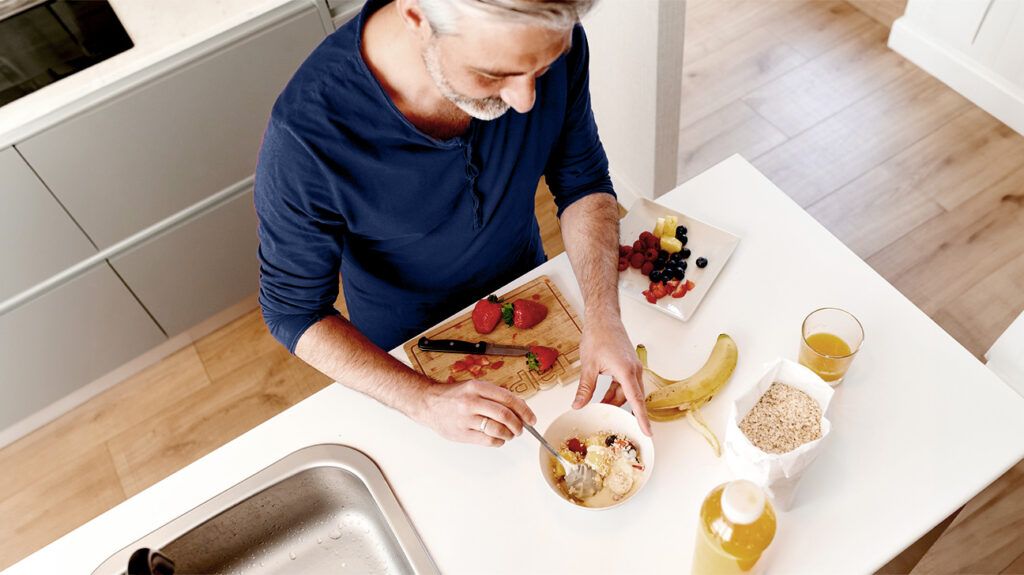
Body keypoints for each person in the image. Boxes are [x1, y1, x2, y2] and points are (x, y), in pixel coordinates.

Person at [254, 0, 651, 449]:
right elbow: (294, 312)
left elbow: (583, 182)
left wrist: (603, 316)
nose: (525, 100)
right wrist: (423, 400)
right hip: (404, 349)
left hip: (528, 286)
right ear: (417, 17)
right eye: (492, 74)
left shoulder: (547, 41)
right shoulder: (305, 137)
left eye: (539, 71)